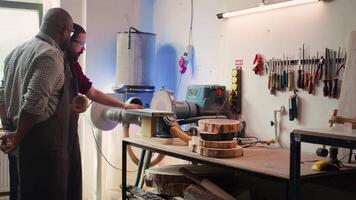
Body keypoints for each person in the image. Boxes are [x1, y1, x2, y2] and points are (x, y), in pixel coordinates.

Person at [0, 8, 74, 200]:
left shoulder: (16, 52)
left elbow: (1, 94)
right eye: (71, 32)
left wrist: (10, 127)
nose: (70, 37)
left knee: (19, 193)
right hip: (41, 151)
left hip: (20, 144)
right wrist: (18, 135)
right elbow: (33, 103)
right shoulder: (50, 56)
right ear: (64, 30)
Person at [62, 23, 142, 200]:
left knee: (72, 181)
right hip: (54, 135)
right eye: (79, 44)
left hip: (69, 132)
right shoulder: (53, 62)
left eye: (84, 45)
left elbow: (93, 93)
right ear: (67, 39)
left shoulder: (74, 67)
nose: (82, 50)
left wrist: (124, 106)